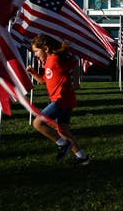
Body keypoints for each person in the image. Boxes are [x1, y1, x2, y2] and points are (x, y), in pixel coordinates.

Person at [26, 34, 89, 165]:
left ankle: (62, 144)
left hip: (61, 101)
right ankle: (82, 157)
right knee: (63, 130)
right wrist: (33, 73)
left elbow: (75, 63)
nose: (36, 55)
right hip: (65, 100)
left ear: (46, 48)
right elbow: (44, 81)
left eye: (37, 51)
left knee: (38, 123)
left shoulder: (55, 60)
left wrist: (76, 83)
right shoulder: (49, 62)